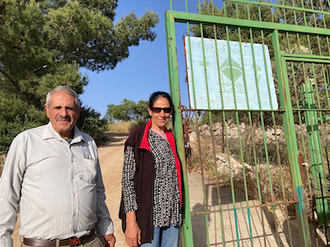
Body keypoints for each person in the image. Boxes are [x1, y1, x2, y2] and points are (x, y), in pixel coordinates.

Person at [0, 86, 116, 247]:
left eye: (69, 108)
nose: (63, 113)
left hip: (89, 241)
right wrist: (3, 240)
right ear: (47, 110)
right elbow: (6, 195)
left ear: (78, 111)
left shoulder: (88, 142)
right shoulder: (26, 142)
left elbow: (97, 191)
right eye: (58, 108)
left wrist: (106, 228)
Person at [119, 91, 183, 247]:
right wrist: (131, 221)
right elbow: (127, 182)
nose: (162, 114)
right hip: (148, 219)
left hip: (172, 217)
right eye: (157, 109)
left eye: (167, 110)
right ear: (150, 110)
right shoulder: (138, 136)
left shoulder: (172, 137)